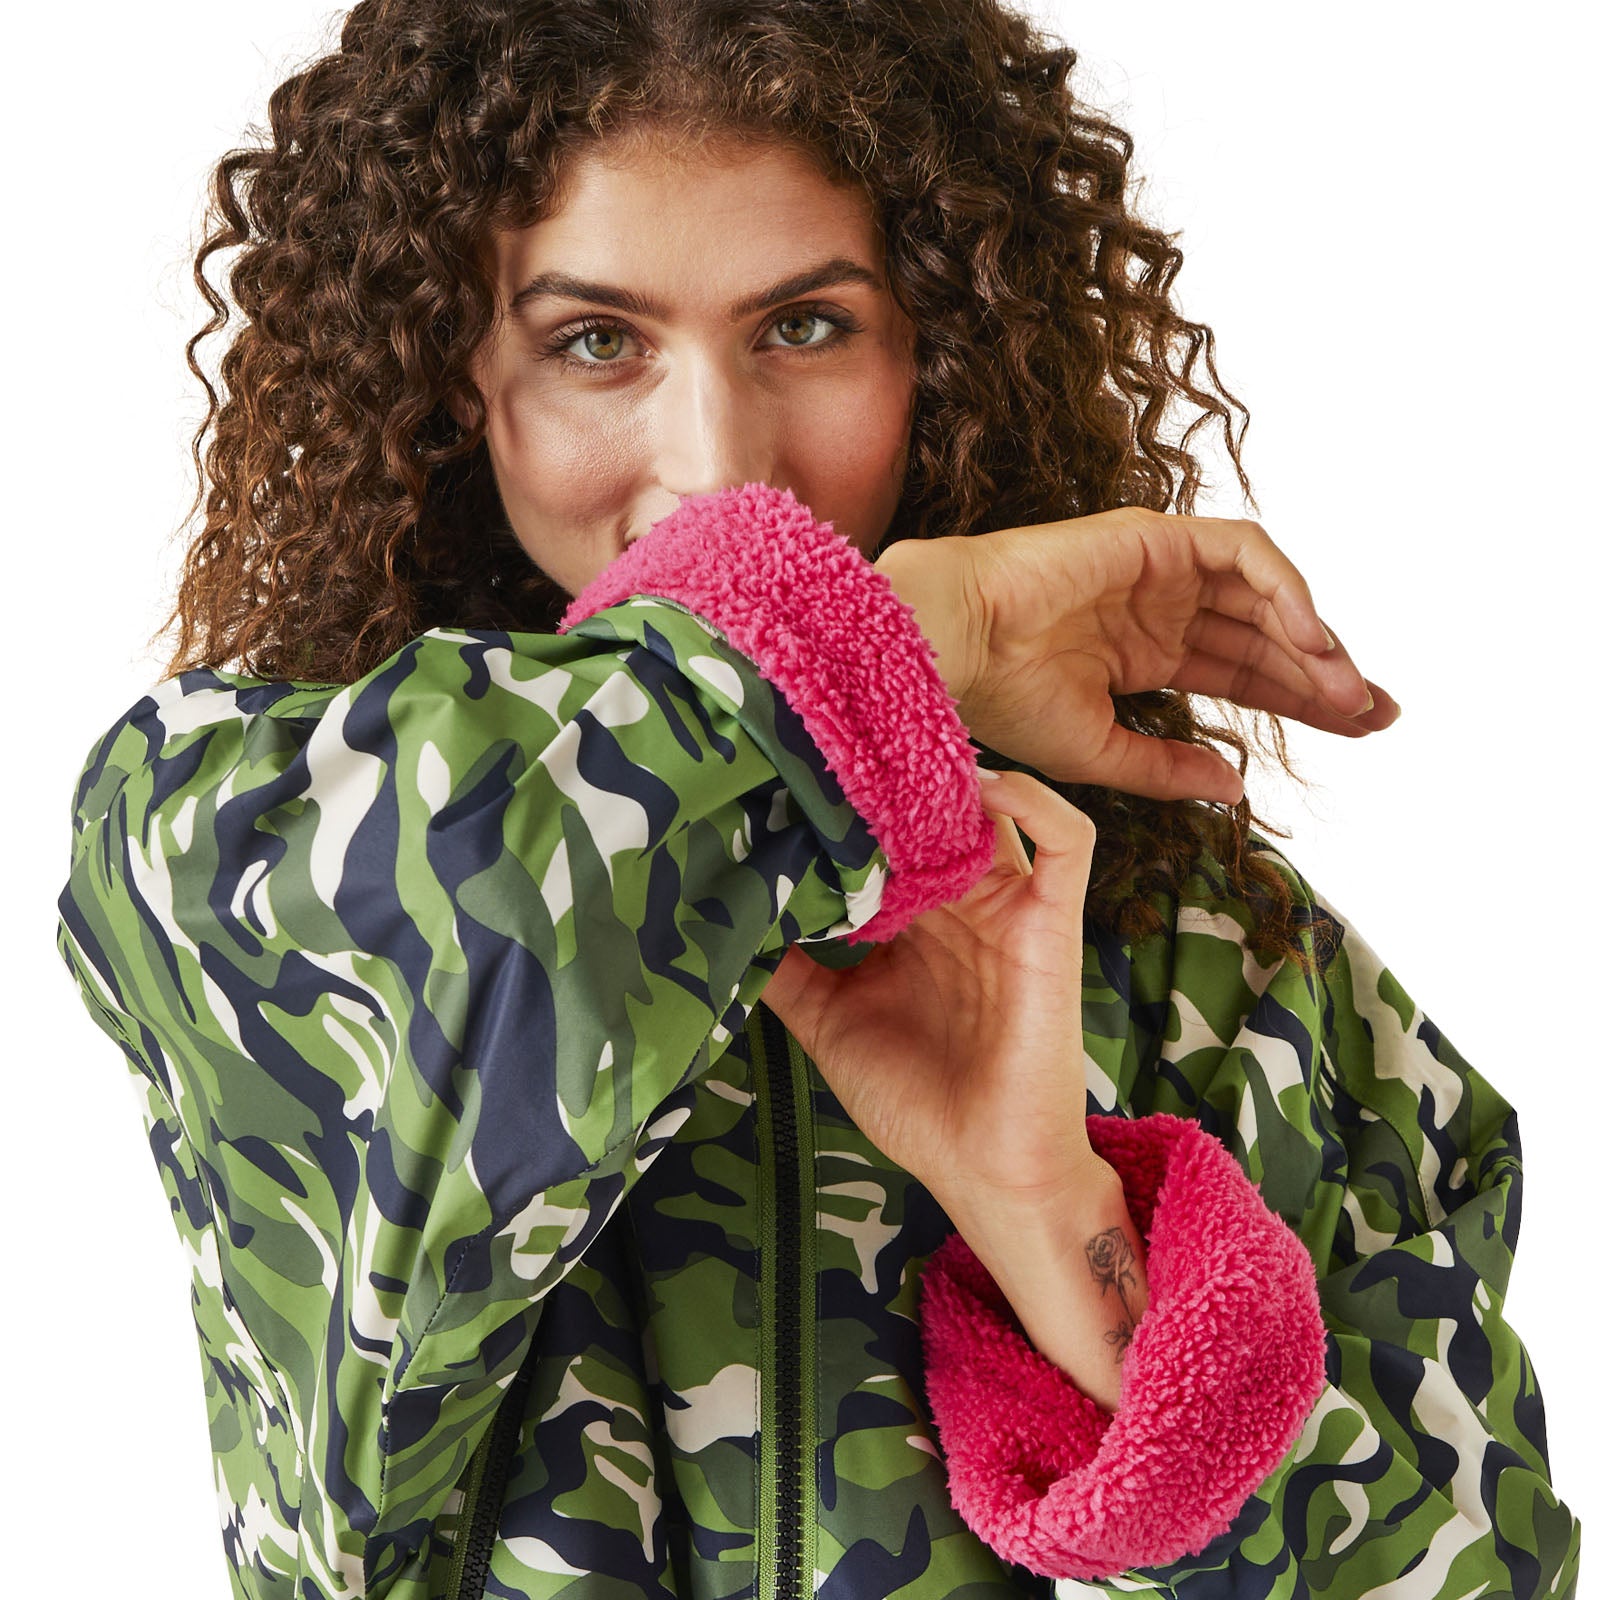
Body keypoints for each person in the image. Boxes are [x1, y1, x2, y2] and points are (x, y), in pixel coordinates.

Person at [53, 0, 1580, 1595]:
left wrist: (1055, 1221)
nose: (719, 464)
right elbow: (496, 902)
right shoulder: (240, 815)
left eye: (805, 327)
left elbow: (1478, 1569)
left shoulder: (1211, 954)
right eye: (596, 342)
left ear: (939, 350)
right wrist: (922, 633)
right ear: (459, 381)